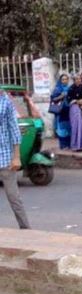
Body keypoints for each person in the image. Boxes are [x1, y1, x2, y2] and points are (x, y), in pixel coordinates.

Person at [0, 90, 31, 229]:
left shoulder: (5, 101)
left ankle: (26, 230)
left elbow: (14, 129)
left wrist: (16, 157)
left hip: (5, 157)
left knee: (14, 198)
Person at [67, 75, 82, 151]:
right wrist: (77, 101)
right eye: (76, 79)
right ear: (74, 80)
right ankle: (76, 146)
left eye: (80, 79)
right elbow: (68, 99)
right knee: (76, 126)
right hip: (74, 108)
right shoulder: (71, 88)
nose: (78, 80)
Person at [50, 74, 71, 150]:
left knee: (69, 128)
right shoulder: (57, 89)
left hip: (68, 110)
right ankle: (63, 145)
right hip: (60, 111)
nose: (65, 81)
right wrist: (61, 96)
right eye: (63, 79)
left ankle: (69, 144)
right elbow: (53, 99)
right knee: (62, 129)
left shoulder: (69, 88)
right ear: (60, 80)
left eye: (66, 79)